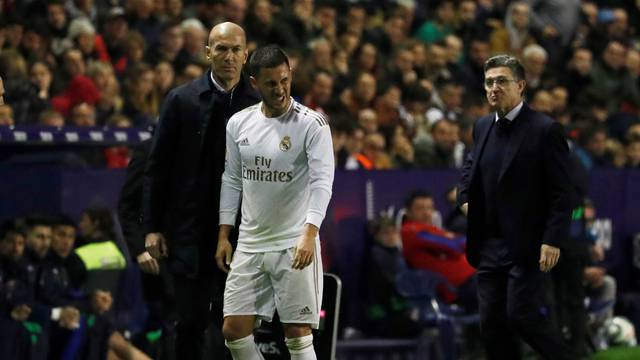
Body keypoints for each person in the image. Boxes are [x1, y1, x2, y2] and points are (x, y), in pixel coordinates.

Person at [143, 21, 260, 360]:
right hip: (187, 232)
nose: (229, 56)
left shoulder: (259, 106)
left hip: (241, 234)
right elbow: (158, 166)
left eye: (236, 49)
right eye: (221, 49)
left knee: (235, 326)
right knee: (189, 322)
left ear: (246, 55)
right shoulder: (181, 100)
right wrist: (152, 226)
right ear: (207, 52)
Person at [216, 45, 334, 360]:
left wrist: (309, 233)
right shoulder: (238, 124)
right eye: (271, 83)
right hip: (251, 243)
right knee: (233, 330)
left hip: (293, 241)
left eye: (284, 80)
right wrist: (224, 234)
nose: (280, 89)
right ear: (254, 82)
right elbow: (231, 179)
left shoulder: (312, 124)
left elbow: (322, 183)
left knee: (297, 333)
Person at [457, 54, 574, 360]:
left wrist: (552, 239)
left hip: (527, 243)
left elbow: (564, 192)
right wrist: (465, 200)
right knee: (492, 325)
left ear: (521, 85)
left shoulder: (545, 130)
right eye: (489, 82)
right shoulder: (482, 126)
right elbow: (469, 172)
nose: (493, 87)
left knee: (521, 316)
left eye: (501, 81)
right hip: (487, 245)